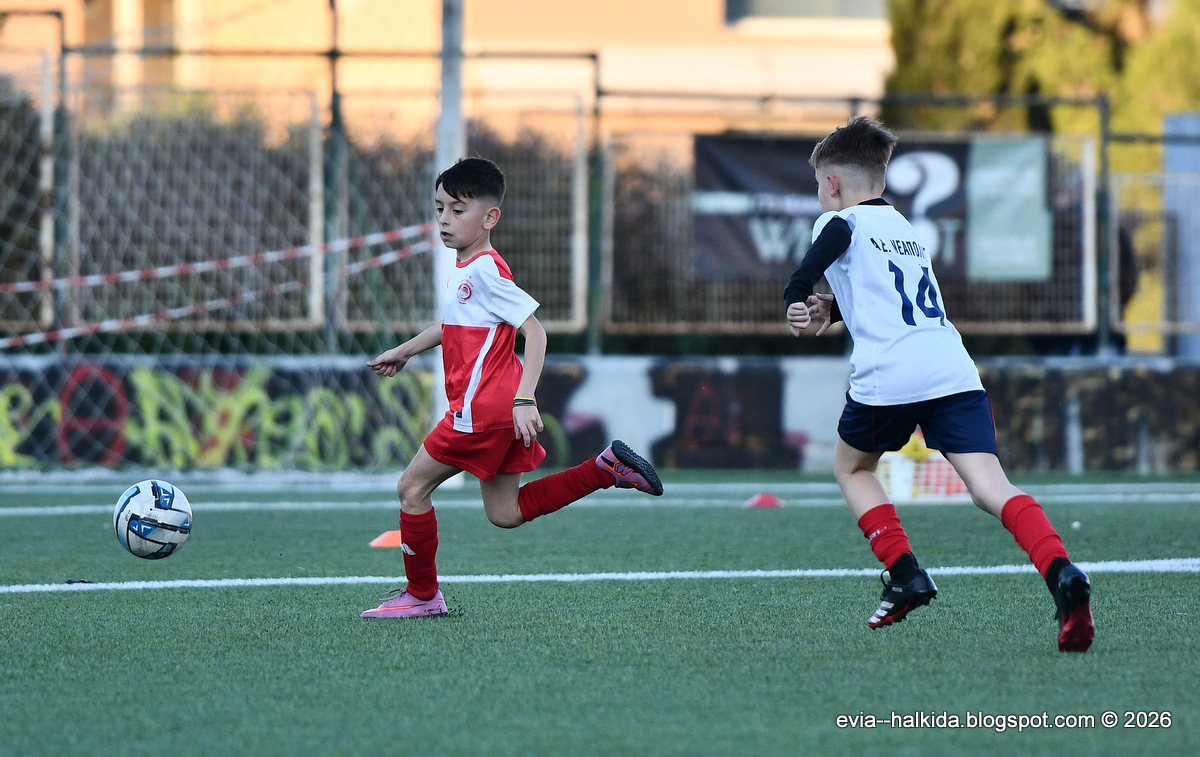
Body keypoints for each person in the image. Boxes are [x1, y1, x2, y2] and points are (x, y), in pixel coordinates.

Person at [783, 117, 1094, 652]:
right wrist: (830, 311)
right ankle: (1061, 570)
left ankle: (904, 572)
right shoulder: (904, 228)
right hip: (952, 368)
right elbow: (887, 299)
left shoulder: (838, 222)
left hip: (891, 374)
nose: (819, 194)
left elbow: (810, 266)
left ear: (832, 183)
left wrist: (794, 297)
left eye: (818, 184)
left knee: (851, 467)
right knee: (992, 488)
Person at [361, 157, 663, 618]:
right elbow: (450, 325)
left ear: (490, 218)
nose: (444, 219)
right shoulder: (467, 269)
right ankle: (606, 469)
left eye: (457, 210)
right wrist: (404, 351)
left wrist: (525, 398)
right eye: (439, 208)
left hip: (483, 410)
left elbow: (536, 333)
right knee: (505, 512)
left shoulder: (485, 270)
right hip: (497, 410)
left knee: (411, 488)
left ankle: (422, 596)